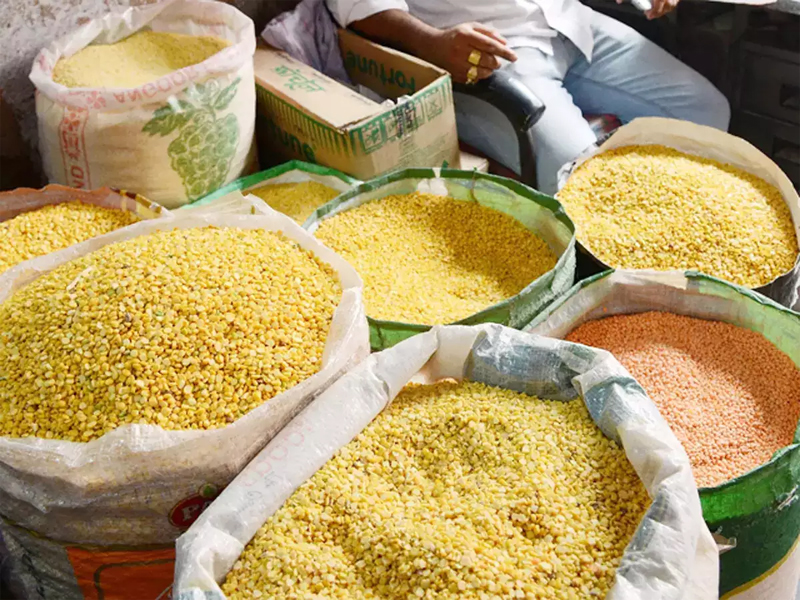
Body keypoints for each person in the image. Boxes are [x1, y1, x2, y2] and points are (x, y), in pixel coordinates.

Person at [326, 0, 731, 194]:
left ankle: (671, 220)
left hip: (568, 20)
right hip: (489, 49)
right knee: (576, 176)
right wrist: (431, 42)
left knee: (706, 110)